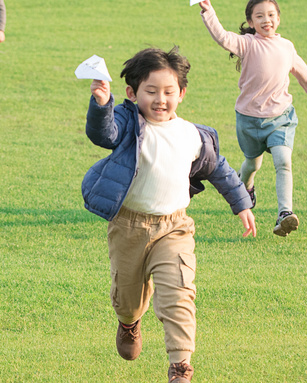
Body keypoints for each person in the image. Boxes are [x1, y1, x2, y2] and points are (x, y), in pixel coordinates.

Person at [81, 47, 256, 383]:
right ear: (132, 93)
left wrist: (241, 202)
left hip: (174, 227)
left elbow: (218, 168)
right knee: (127, 297)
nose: (160, 99)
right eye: (151, 92)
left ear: (182, 93)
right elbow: (104, 135)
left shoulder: (192, 135)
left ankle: (180, 366)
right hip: (129, 226)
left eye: (168, 92)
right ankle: (129, 322)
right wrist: (102, 105)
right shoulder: (128, 122)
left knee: (178, 291)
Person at [197, 0, 307, 237]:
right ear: (251, 22)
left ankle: (285, 213)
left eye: (271, 15)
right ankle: (245, 189)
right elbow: (222, 37)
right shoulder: (247, 44)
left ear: (278, 18)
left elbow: (300, 69)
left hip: (280, 117)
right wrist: (209, 12)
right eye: (260, 16)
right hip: (249, 120)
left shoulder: (286, 46)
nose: (267, 20)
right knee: (252, 163)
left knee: (283, 161)